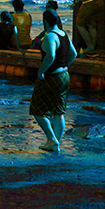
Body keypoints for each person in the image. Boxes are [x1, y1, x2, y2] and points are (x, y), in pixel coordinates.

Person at [30, 9, 74, 151]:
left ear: (45, 22)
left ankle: (51, 139)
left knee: (38, 110)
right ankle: (55, 143)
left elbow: (51, 55)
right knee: (58, 111)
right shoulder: (64, 35)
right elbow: (73, 53)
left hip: (52, 76)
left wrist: (41, 71)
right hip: (65, 76)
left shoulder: (50, 36)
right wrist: (65, 65)